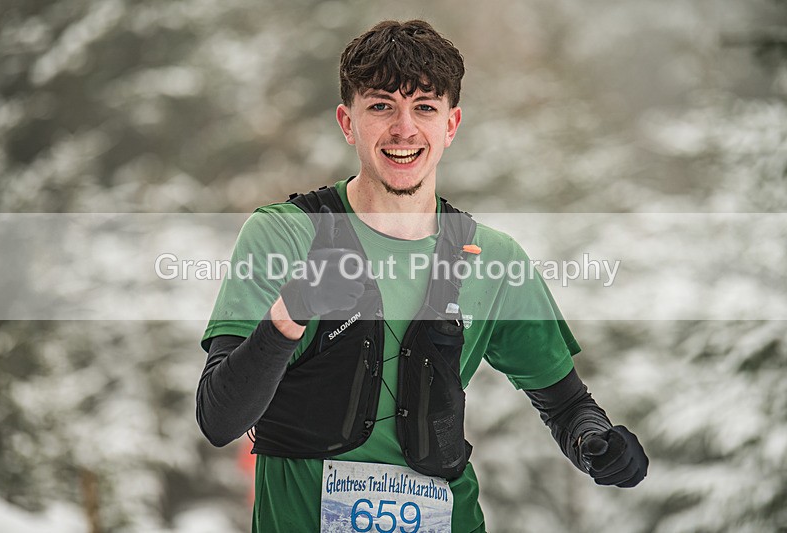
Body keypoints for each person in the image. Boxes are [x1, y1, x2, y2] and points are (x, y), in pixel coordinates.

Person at [196, 19, 648, 533]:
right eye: (382, 105)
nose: (404, 129)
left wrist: (596, 444)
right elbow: (219, 419)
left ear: (451, 125)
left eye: (425, 108)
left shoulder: (492, 258)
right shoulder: (283, 237)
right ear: (348, 122)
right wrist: (291, 310)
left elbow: (567, 404)